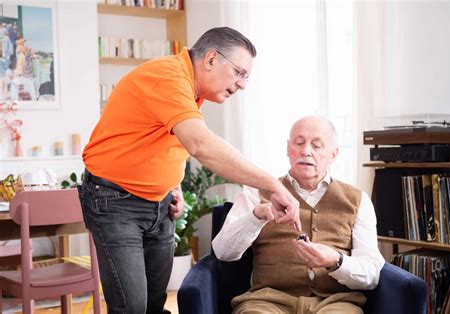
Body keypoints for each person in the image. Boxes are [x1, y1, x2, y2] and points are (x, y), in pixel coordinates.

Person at [78, 26, 300, 314]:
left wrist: (174, 186)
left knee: (154, 304)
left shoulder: (190, 88)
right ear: (210, 59)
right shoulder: (168, 78)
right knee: (131, 308)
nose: (243, 84)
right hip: (115, 202)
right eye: (239, 73)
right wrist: (273, 185)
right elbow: (199, 144)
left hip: (159, 206)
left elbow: (164, 140)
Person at [212, 115, 386, 314]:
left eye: (317, 145)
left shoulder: (358, 200)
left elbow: (372, 275)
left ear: (334, 154)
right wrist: (258, 214)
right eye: (299, 143)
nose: (306, 151)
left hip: (334, 304)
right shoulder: (257, 191)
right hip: (267, 302)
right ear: (288, 148)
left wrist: (336, 260)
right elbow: (223, 251)